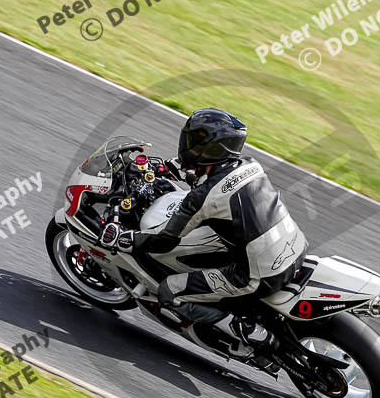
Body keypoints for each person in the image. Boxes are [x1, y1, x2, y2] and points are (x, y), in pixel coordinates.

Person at [100, 108, 308, 349]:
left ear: (211, 147)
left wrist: (124, 238)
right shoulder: (249, 165)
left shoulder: (203, 199)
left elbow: (165, 240)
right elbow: (210, 179)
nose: (187, 143)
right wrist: (168, 168)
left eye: (194, 140)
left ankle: (244, 329)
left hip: (261, 276)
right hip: (295, 246)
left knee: (168, 291)